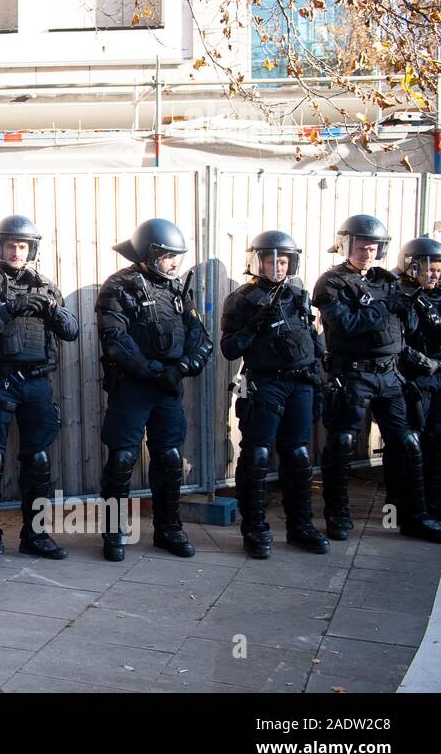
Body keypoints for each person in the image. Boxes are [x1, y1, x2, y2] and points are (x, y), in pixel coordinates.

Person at [0, 214, 79, 567]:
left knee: (39, 460)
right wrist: (7, 310)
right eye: (10, 245)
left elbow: (71, 330)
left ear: (32, 249)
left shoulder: (45, 284)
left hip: (37, 382)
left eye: (22, 246)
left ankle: (35, 535)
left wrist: (52, 310)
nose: (16, 251)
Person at [312, 215, 441, 544]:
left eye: (373, 248)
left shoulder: (385, 280)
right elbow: (347, 325)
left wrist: (406, 305)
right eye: (361, 248)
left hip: (389, 375)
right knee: (341, 444)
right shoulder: (331, 282)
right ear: (346, 246)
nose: (367, 254)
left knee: (408, 443)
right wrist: (385, 306)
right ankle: (337, 515)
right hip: (352, 374)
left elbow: (403, 328)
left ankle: (413, 516)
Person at [96, 218, 213, 561]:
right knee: (122, 459)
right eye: (167, 256)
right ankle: (115, 531)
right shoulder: (118, 286)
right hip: (132, 388)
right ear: (148, 253)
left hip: (168, 388)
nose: (175, 263)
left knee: (170, 457)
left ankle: (168, 528)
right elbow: (115, 340)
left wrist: (182, 368)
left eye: (178, 256)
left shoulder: (177, 288)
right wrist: (150, 371)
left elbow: (199, 337)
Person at [219, 230, 329, 558]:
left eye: (283, 261)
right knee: (257, 456)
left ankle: (300, 527)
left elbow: (312, 334)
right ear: (258, 261)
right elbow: (229, 348)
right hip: (264, 383)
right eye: (272, 261)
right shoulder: (241, 298)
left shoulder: (297, 292)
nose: (278, 267)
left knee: (298, 455)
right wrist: (253, 325)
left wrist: (319, 364)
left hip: (300, 383)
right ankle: (254, 529)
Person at [397, 237, 441, 521]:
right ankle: (402, 510)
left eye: (438, 269)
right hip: (416, 379)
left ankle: (433, 504)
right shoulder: (401, 295)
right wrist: (422, 362)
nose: (434, 274)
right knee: (410, 444)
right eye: (428, 268)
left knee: (437, 442)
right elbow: (396, 339)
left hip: (438, 377)